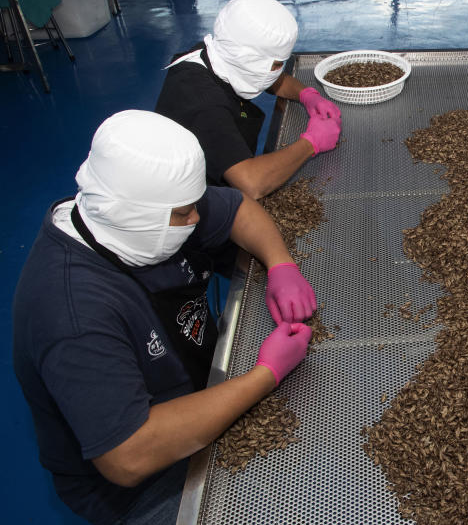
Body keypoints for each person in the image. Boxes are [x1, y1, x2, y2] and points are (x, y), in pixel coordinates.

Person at [12, 111, 319, 524]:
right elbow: (130, 456)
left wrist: (281, 264)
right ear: (134, 214)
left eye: (193, 207)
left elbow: (238, 209)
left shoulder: (140, 213)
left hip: (199, 386)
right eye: (182, 214)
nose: (195, 220)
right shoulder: (71, 315)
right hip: (144, 483)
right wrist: (265, 373)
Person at [155, 0, 341, 200]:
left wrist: (306, 94)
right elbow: (252, 183)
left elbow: (268, 78)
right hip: (194, 202)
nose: (279, 71)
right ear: (251, 61)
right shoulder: (204, 105)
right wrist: (311, 143)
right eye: (277, 65)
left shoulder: (216, 55)